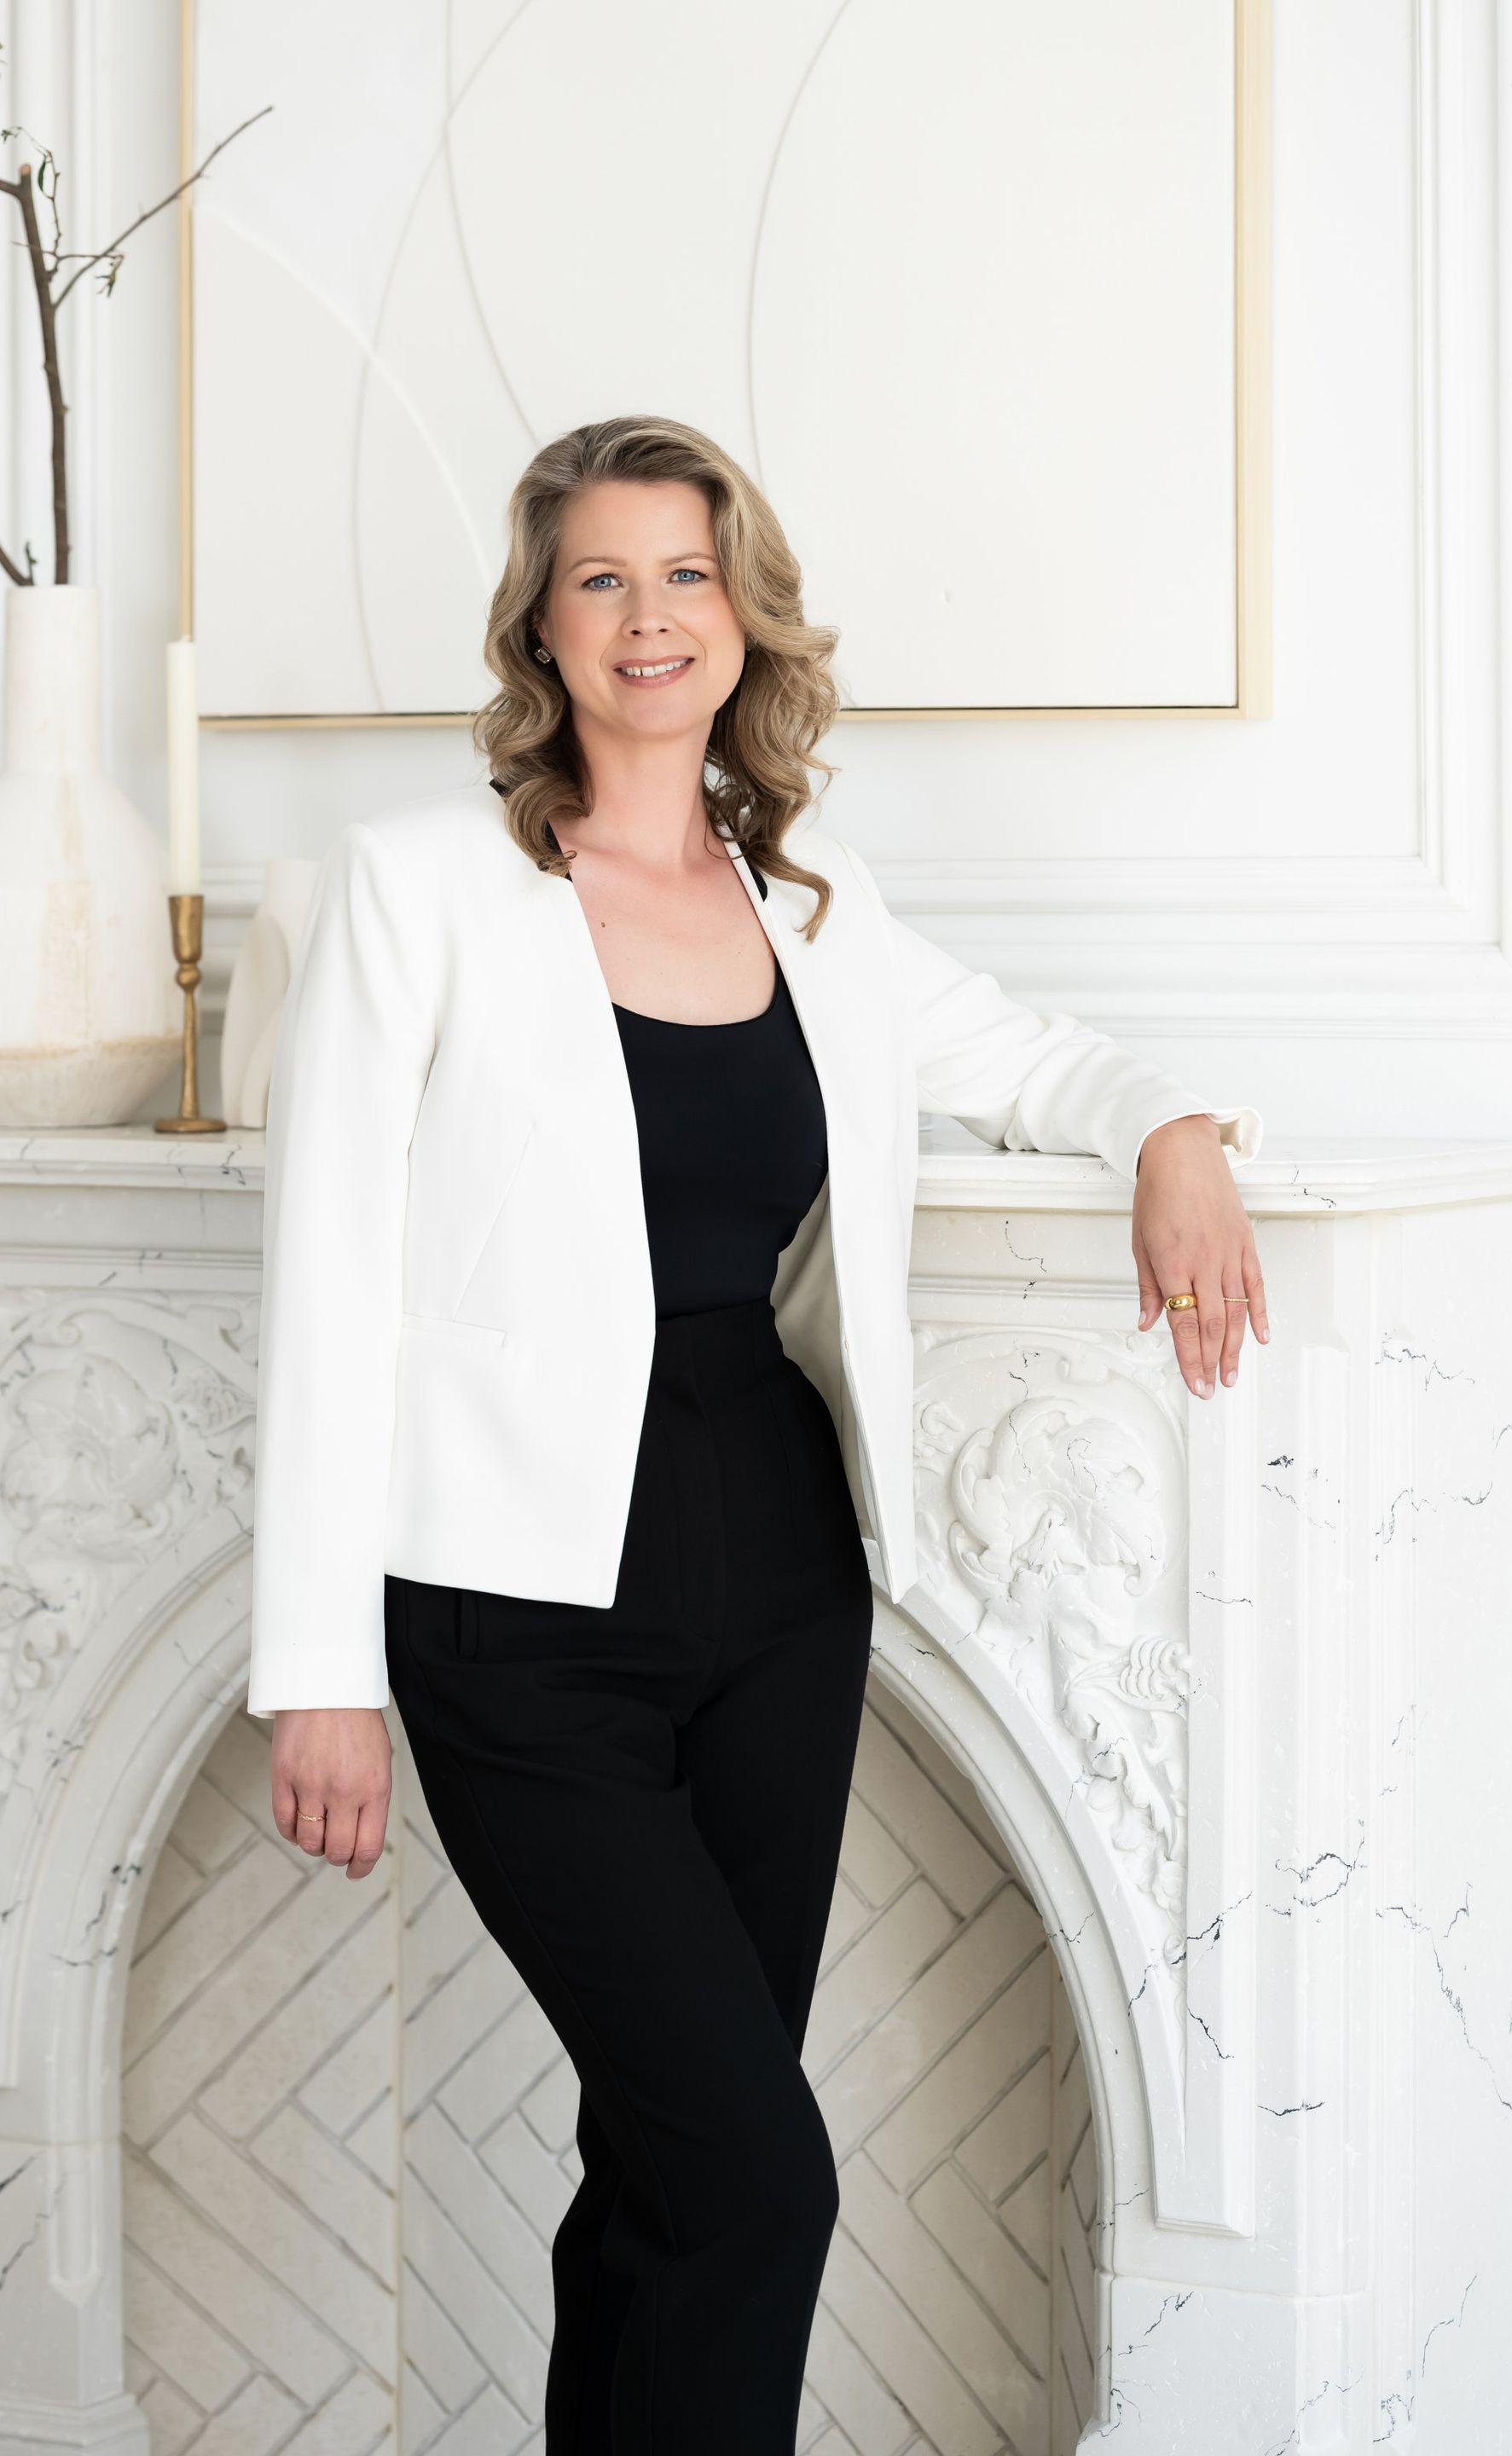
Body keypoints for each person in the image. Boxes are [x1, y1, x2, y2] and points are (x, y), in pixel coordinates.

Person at [246, 414, 1266, 2454]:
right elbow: (328, 1277)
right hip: (511, 1619)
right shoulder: (417, 887)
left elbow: (1032, 1055)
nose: (650, 618)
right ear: (542, 620)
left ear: (744, 615)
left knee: (668, 2169)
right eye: (603, 577)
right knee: (758, 2171)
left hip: (783, 1591)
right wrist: (316, 1676)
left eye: (688, 575)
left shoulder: (811, 901)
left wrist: (1169, 1129)